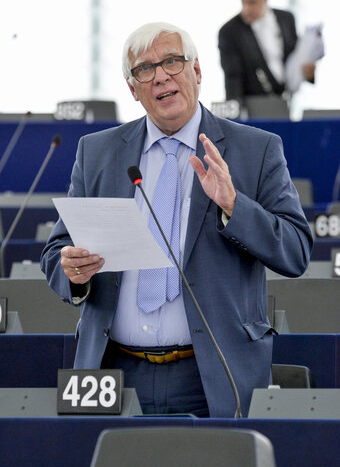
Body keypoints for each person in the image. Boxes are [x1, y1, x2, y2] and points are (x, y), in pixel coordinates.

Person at [41, 21, 313, 418]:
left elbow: (296, 252)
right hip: (112, 375)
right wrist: (73, 272)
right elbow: (57, 252)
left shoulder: (256, 149)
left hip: (212, 374)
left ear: (197, 71)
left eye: (172, 61)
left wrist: (235, 206)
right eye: (144, 70)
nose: (161, 76)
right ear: (133, 89)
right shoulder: (97, 152)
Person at [218, 0, 316, 105]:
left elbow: (295, 57)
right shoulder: (229, 32)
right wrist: (236, 118)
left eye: (252, 2)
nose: (246, 9)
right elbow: (232, 79)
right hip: (253, 108)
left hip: (288, 103)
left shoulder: (287, 19)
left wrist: (308, 73)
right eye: (243, 2)